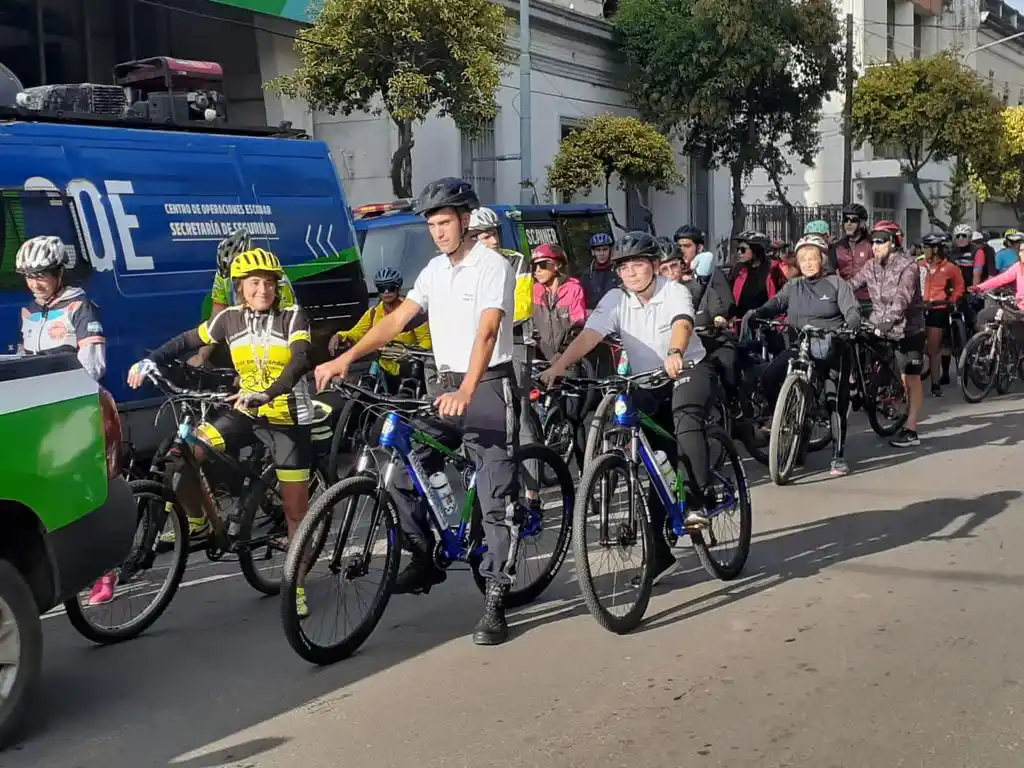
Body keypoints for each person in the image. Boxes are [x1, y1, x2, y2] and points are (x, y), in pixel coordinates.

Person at [313, 178, 520, 646]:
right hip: (444, 386)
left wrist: (467, 388)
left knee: (494, 496)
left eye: (444, 222)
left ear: (464, 220)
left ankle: (495, 595)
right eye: (432, 225)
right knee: (400, 466)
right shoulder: (433, 271)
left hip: (486, 385)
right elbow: (396, 319)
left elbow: (488, 331)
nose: (438, 232)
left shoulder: (492, 266)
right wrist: (348, 357)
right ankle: (424, 554)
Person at [127, 248, 315, 616]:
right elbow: (187, 340)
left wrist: (269, 393)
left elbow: (298, 361)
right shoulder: (228, 319)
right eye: (254, 283)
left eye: (269, 283)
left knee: (296, 511)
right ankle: (198, 522)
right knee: (184, 453)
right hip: (245, 409)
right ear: (240, 287)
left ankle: (296, 585)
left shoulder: (292, 316)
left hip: (287, 417)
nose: (263, 290)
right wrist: (152, 359)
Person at [539, 231, 713, 585]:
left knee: (686, 422)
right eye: (624, 267)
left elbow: (682, 323)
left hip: (686, 370)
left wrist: (675, 352)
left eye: (638, 265)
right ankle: (660, 553)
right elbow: (590, 335)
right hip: (646, 381)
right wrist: (558, 366)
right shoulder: (616, 299)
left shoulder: (672, 291)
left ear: (654, 265)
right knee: (652, 461)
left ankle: (697, 501)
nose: (631, 273)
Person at [16, 236, 112, 605]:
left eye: (41, 275)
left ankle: (106, 570)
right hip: (43, 414)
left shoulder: (79, 307)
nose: (35, 283)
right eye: (29, 276)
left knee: (85, 490)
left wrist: (59, 386)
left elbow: (94, 366)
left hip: (78, 410)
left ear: (59, 272)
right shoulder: (28, 312)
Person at [748, 235, 862, 477]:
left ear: (822, 259)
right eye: (803, 259)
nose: (808, 263)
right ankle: (786, 421)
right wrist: (758, 313)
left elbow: (852, 311)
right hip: (802, 345)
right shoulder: (794, 286)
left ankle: (838, 456)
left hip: (832, 347)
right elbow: (776, 303)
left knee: (834, 402)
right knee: (769, 377)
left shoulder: (836, 284)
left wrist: (850, 325)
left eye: (813, 258)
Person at [847, 221, 925, 448]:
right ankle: (861, 387)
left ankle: (911, 430)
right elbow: (851, 284)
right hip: (877, 324)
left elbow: (903, 298)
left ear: (892, 242)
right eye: (873, 242)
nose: (875, 246)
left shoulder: (908, 266)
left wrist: (890, 320)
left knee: (910, 379)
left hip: (907, 329)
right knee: (849, 343)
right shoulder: (870, 266)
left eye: (880, 241)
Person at [192, 228, 298, 367]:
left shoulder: (276, 281)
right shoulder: (223, 274)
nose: (232, 278)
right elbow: (217, 314)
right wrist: (201, 356)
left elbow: (285, 327)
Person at [328, 267, 432, 392]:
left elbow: (426, 341)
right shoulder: (373, 313)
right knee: (365, 388)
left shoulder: (411, 311)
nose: (387, 292)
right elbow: (356, 333)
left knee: (408, 393)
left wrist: (410, 354)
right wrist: (340, 336)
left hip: (408, 368)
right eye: (382, 288)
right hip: (384, 367)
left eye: (391, 288)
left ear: (398, 288)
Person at [920, 231, 965, 397]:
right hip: (919, 309)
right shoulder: (919, 265)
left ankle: (935, 383)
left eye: (926, 247)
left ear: (936, 249)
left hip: (938, 309)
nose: (923, 250)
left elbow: (960, 287)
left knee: (934, 348)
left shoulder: (950, 268)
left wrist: (951, 300)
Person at [531, 243, 586, 363]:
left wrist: (562, 353)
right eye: (534, 266)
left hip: (568, 358)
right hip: (542, 360)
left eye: (543, 265)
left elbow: (578, 327)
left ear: (558, 265)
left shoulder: (573, 290)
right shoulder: (534, 290)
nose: (537, 270)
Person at [968, 233, 1024, 330]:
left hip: (1020, 314)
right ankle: (987, 338)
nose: (1021, 254)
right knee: (983, 315)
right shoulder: (1018, 267)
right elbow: (1000, 279)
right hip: (1016, 308)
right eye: (1021, 251)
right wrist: (979, 287)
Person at [730, 231, 786, 315]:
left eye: (743, 249)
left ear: (756, 250)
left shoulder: (772, 271)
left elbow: (781, 300)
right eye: (738, 249)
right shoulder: (738, 270)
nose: (739, 252)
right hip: (740, 320)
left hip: (765, 320)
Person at [829, 203, 873, 306]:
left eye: (853, 220)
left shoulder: (872, 245)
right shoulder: (837, 247)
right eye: (846, 220)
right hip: (846, 300)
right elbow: (829, 274)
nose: (848, 223)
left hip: (869, 300)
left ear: (862, 223)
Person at [581, 231, 620, 309]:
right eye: (598, 250)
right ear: (593, 252)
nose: (602, 253)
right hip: (595, 313)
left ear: (610, 250)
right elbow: (582, 299)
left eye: (605, 249)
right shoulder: (587, 274)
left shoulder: (619, 270)